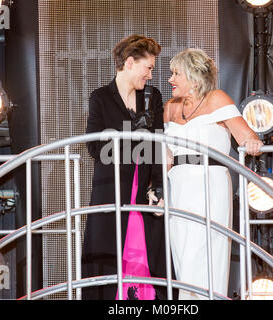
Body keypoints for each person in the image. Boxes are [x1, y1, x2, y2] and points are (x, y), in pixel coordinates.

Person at [163, 48, 263, 299]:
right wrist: (159, 188)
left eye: (176, 74)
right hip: (177, 186)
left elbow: (246, 137)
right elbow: (163, 153)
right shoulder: (170, 107)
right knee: (183, 256)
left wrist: (252, 142)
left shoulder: (217, 99)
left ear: (194, 79)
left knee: (205, 254)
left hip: (210, 185)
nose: (170, 79)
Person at [82, 34, 167, 300]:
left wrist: (158, 186)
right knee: (108, 255)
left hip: (143, 189)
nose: (150, 75)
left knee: (148, 254)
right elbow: (95, 148)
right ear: (130, 62)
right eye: (148, 68)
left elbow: (157, 145)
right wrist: (130, 135)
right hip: (111, 188)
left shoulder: (152, 97)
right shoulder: (100, 98)